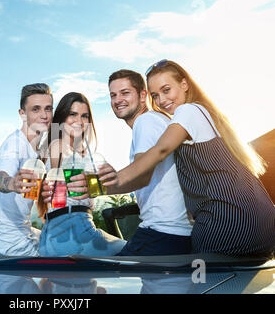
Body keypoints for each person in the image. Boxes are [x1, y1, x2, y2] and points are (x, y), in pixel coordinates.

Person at [108, 60, 275, 256]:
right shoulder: (205, 114)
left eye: (166, 90)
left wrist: (105, 184)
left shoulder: (187, 111)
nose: (161, 100)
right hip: (262, 222)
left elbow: (160, 151)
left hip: (227, 225)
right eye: (156, 95)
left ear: (184, 84)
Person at [97, 69, 192, 256]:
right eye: (113, 95)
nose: (118, 100)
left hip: (163, 233)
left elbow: (141, 176)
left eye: (125, 93)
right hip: (174, 234)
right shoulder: (159, 120)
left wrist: (91, 188)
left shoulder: (146, 121)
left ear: (142, 96)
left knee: (104, 273)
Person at [38, 92, 127, 257]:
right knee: (133, 251)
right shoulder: (59, 145)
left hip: (58, 234)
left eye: (84, 116)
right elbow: (61, 171)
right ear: (62, 118)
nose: (79, 121)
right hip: (73, 231)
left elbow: (107, 184)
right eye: (72, 114)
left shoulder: (84, 154)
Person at [0, 83, 53, 256]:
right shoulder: (13, 145)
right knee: (65, 257)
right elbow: (0, 179)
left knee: (61, 240)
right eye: (36, 109)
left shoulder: (39, 148)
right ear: (22, 114)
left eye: (48, 109)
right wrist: (12, 183)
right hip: (10, 240)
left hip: (25, 230)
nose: (44, 115)